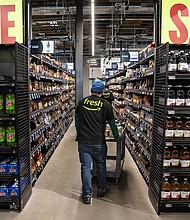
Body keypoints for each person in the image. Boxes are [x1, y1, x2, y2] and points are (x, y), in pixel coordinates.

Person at [75, 79, 119, 204]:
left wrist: (79, 132)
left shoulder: (82, 102)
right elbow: (112, 123)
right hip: (99, 141)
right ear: (103, 91)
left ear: (91, 90)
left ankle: (87, 195)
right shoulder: (106, 105)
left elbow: (77, 119)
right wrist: (116, 136)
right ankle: (101, 189)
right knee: (100, 165)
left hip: (83, 141)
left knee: (85, 167)